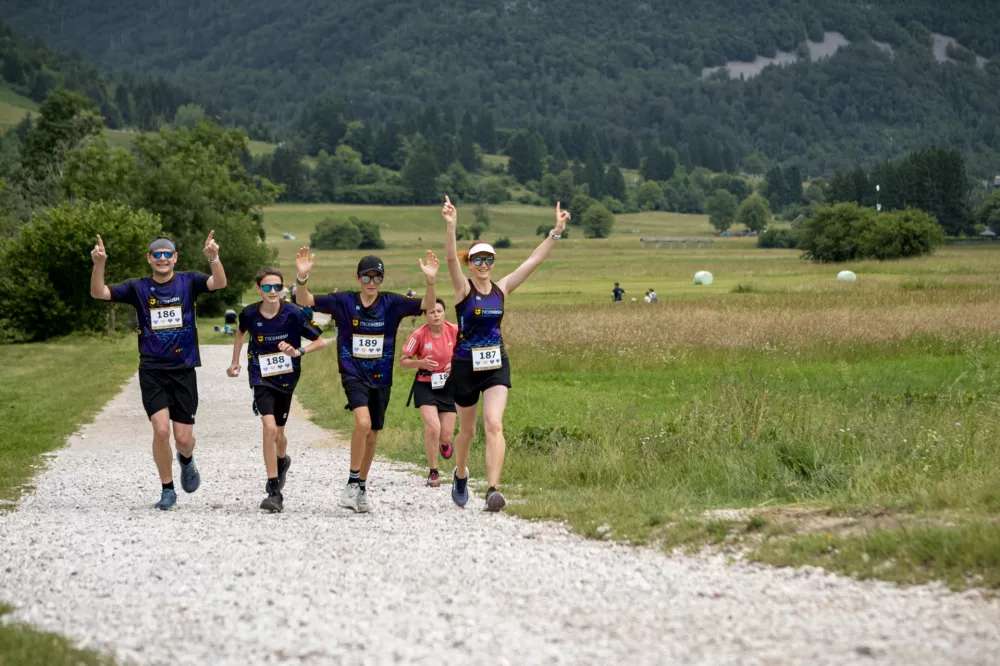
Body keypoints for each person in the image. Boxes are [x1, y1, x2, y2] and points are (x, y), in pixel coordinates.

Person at [442, 195, 570, 511]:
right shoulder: (463, 291)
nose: (484, 266)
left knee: (494, 424)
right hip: (464, 366)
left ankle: (493, 489)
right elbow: (449, 261)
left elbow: (533, 261)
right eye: (478, 261)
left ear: (493, 264)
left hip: (496, 363)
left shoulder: (503, 289)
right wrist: (451, 226)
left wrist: (555, 231)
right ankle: (460, 473)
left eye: (489, 260)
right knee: (468, 431)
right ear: (470, 264)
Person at [293, 249, 439, 513]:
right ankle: (351, 481)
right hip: (353, 373)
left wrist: (430, 281)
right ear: (357, 278)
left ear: (382, 280)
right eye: (366, 278)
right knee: (363, 422)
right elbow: (305, 300)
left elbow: (427, 305)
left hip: (381, 378)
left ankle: (360, 486)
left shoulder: (391, 303)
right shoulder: (344, 302)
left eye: (377, 278)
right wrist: (302, 278)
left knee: (372, 435)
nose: (371, 283)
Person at [90, 232, 227, 510]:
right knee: (161, 431)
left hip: (184, 368)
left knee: (184, 439)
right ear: (149, 258)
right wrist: (99, 264)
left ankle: (186, 460)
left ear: (175, 257)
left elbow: (219, 283)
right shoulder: (137, 288)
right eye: (157, 254)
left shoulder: (189, 282)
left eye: (167, 254)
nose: (162, 258)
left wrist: (213, 258)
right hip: (152, 369)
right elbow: (98, 292)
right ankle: (167, 489)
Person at [226, 267, 326, 513]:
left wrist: (297, 351)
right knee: (269, 429)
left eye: (277, 287)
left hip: (287, 378)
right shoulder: (249, 313)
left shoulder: (294, 314)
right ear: (258, 288)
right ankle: (274, 491)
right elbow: (240, 333)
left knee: (279, 435)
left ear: (282, 289)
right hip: (260, 377)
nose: (273, 292)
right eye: (267, 287)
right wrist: (235, 361)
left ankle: (282, 461)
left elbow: (320, 341)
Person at [400, 298, 458, 487]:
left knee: (446, 435)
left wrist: (456, 365)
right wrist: (420, 363)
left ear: (444, 313)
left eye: (439, 311)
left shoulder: (456, 331)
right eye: (431, 312)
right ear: (425, 316)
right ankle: (433, 472)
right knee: (433, 428)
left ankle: (445, 444)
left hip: (448, 385)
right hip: (425, 384)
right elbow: (403, 361)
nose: (436, 315)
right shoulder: (418, 335)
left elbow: (469, 352)